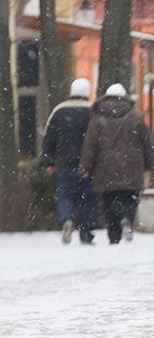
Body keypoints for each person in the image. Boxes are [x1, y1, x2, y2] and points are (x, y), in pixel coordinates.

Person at [79, 84, 154, 245]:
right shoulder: (135, 116)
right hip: (132, 166)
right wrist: (149, 164)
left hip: (105, 167)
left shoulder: (98, 117)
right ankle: (127, 218)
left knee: (109, 202)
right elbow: (146, 142)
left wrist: (86, 166)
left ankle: (114, 235)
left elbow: (90, 145)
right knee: (130, 198)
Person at [41, 78, 97, 245]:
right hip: (89, 165)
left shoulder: (59, 111)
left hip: (65, 164)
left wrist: (49, 161)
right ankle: (86, 233)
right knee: (88, 200)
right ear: (87, 92)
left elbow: (48, 138)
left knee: (66, 196)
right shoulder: (93, 111)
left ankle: (67, 219)